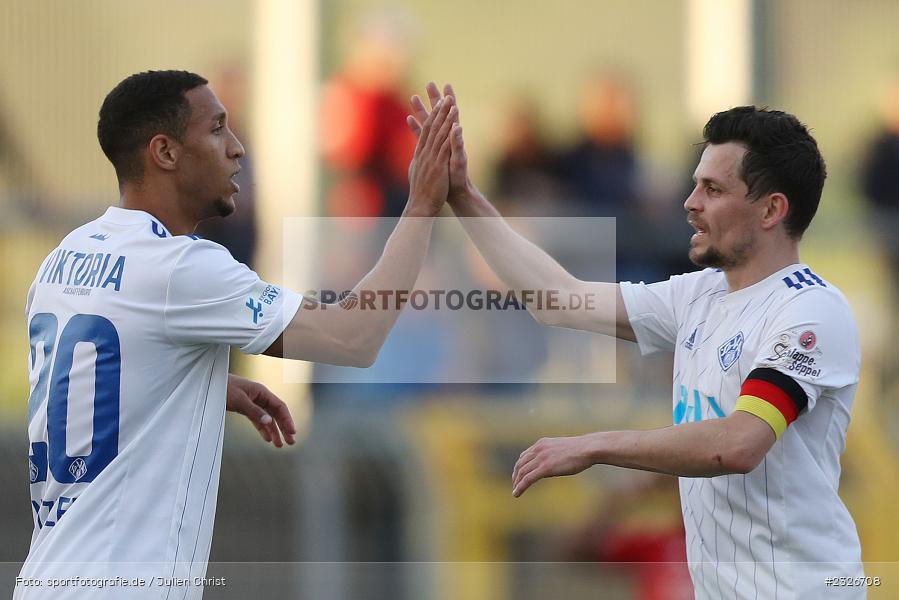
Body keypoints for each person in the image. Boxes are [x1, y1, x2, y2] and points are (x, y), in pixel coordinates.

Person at [407, 83, 863, 599]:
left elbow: (738, 444)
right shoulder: (698, 295)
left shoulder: (810, 311)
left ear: (771, 209)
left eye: (713, 190)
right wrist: (464, 195)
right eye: (695, 186)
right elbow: (557, 298)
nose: (689, 203)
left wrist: (595, 445)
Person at [19, 70, 456, 599]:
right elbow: (352, 338)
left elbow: (89, 381)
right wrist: (421, 206)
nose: (238, 149)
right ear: (165, 152)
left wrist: (195, 386)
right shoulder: (180, 266)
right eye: (217, 130)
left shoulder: (67, 255)